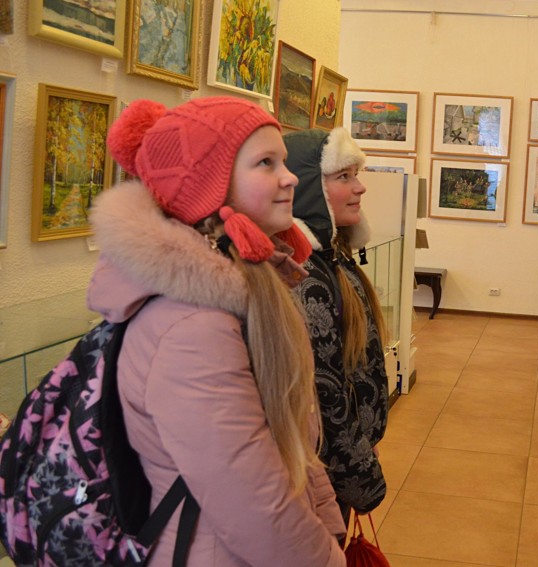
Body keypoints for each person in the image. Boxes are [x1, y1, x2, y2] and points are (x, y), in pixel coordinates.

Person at [89, 96, 347, 566]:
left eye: (284, 161)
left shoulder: (243, 296)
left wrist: (329, 524)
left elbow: (288, 446)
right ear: (210, 184)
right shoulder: (193, 328)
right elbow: (253, 503)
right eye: (266, 163)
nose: (290, 177)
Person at [284, 128, 388, 527]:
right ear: (310, 187)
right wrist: (363, 479)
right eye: (344, 176)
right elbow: (326, 395)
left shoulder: (332, 261)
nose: (360, 187)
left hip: (339, 470)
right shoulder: (305, 276)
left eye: (355, 175)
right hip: (323, 475)